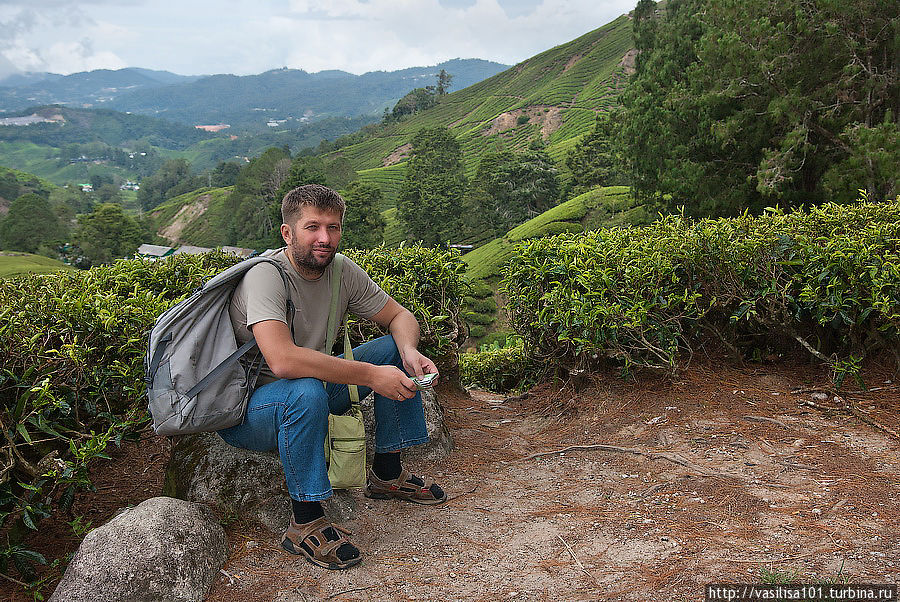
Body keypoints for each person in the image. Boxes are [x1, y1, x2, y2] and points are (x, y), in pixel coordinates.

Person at [218, 184, 446, 570]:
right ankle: (305, 521)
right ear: (287, 233)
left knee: (390, 350)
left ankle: (387, 474)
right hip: (250, 412)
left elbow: (399, 317)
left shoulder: (341, 271)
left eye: (333, 227)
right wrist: (371, 375)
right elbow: (284, 361)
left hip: (313, 395)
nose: (325, 238)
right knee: (304, 390)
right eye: (313, 227)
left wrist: (408, 351)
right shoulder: (266, 278)